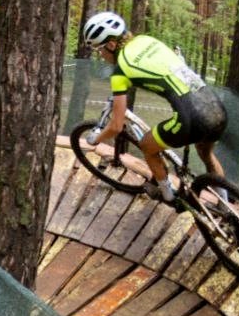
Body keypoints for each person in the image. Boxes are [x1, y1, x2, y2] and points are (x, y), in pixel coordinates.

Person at [80, 11, 228, 207]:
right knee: (206, 153)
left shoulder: (120, 71)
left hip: (191, 119)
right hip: (216, 107)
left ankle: (168, 196)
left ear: (112, 45)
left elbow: (116, 126)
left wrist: (96, 139)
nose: (100, 55)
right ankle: (226, 206)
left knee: (147, 146)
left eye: (99, 49)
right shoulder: (147, 40)